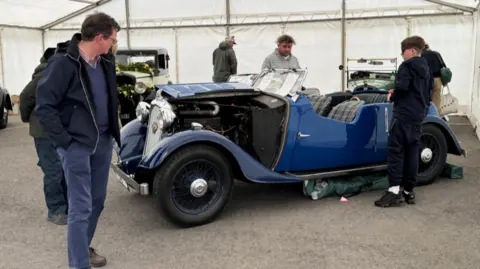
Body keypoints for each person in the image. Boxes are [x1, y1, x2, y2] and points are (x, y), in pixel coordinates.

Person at [35, 12, 121, 269]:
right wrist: (65, 142)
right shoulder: (63, 63)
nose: (114, 44)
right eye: (112, 39)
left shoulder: (105, 61)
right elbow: (44, 107)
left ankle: (82, 248)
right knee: (80, 208)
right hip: (77, 146)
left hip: (103, 142)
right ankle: (79, 264)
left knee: (97, 202)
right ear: (99, 37)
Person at [374, 35, 432, 208]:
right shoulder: (426, 68)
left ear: (412, 51)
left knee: (396, 151)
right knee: (412, 152)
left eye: (403, 51)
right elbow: (426, 93)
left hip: (403, 115)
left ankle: (393, 191)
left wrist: (393, 96)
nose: (402, 55)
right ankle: (409, 191)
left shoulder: (407, 66)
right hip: (417, 115)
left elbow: (402, 87)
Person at [19, 47, 68, 225]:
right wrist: (28, 118)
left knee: (65, 169)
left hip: (62, 130)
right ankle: (56, 210)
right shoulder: (45, 75)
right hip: (44, 131)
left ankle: (68, 206)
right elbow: (25, 98)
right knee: (54, 170)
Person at [421, 43, 447, 109]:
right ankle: (435, 117)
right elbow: (444, 67)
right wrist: (444, 81)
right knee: (436, 102)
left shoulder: (421, 55)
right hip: (437, 79)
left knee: (424, 100)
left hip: (425, 80)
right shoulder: (436, 54)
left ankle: (426, 117)